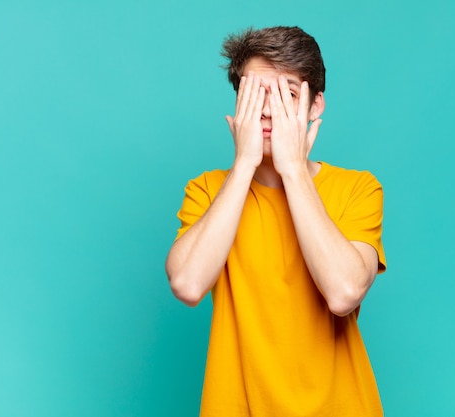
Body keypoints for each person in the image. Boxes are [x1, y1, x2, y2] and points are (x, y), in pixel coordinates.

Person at [165, 26, 386, 417]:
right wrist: (244, 164)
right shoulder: (207, 190)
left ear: (316, 105)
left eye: (287, 95)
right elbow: (187, 284)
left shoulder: (358, 189)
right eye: (256, 95)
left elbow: (344, 292)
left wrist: (292, 170)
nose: (268, 111)